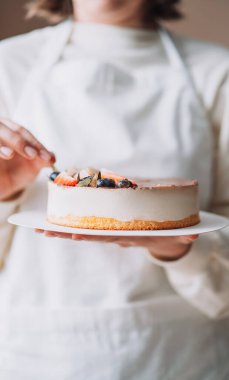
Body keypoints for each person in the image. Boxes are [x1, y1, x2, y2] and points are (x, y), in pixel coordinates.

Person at [0, 0, 229, 378]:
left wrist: (179, 248)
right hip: (40, 352)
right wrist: (5, 193)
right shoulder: (8, 65)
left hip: (180, 355)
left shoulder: (217, 72)